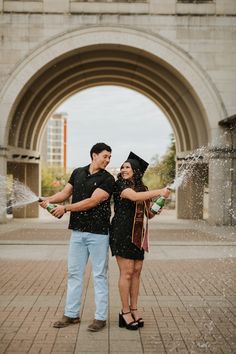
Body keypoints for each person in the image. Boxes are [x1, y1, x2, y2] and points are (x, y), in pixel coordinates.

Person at [39, 143, 115, 332]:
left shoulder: (108, 179)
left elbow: (92, 201)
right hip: (77, 232)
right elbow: (65, 193)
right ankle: (71, 314)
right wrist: (48, 200)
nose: (107, 160)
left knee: (99, 275)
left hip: (98, 233)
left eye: (109, 157)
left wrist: (65, 208)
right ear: (94, 155)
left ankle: (100, 318)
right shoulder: (77, 172)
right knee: (74, 274)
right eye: (105, 156)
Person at [110, 152, 170, 330]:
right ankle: (125, 312)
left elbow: (149, 214)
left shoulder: (143, 189)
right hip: (121, 232)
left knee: (136, 271)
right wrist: (160, 190)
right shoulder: (119, 184)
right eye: (122, 167)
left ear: (136, 171)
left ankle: (134, 308)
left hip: (138, 234)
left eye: (127, 167)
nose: (123, 170)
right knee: (126, 272)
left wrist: (161, 200)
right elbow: (134, 197)